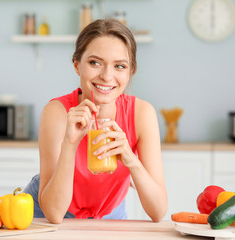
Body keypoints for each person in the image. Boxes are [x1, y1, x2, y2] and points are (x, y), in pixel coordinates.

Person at [24, 19, 167, 223]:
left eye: (119, 66)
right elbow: (53, 214)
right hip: (45, 211)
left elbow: (158, 211)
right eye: (95, 63)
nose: (107, 76)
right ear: (77, 65)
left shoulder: (142, 113)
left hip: (109, 212)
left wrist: (130, 159)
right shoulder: (57, 112)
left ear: (130, 71)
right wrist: (70, 144)